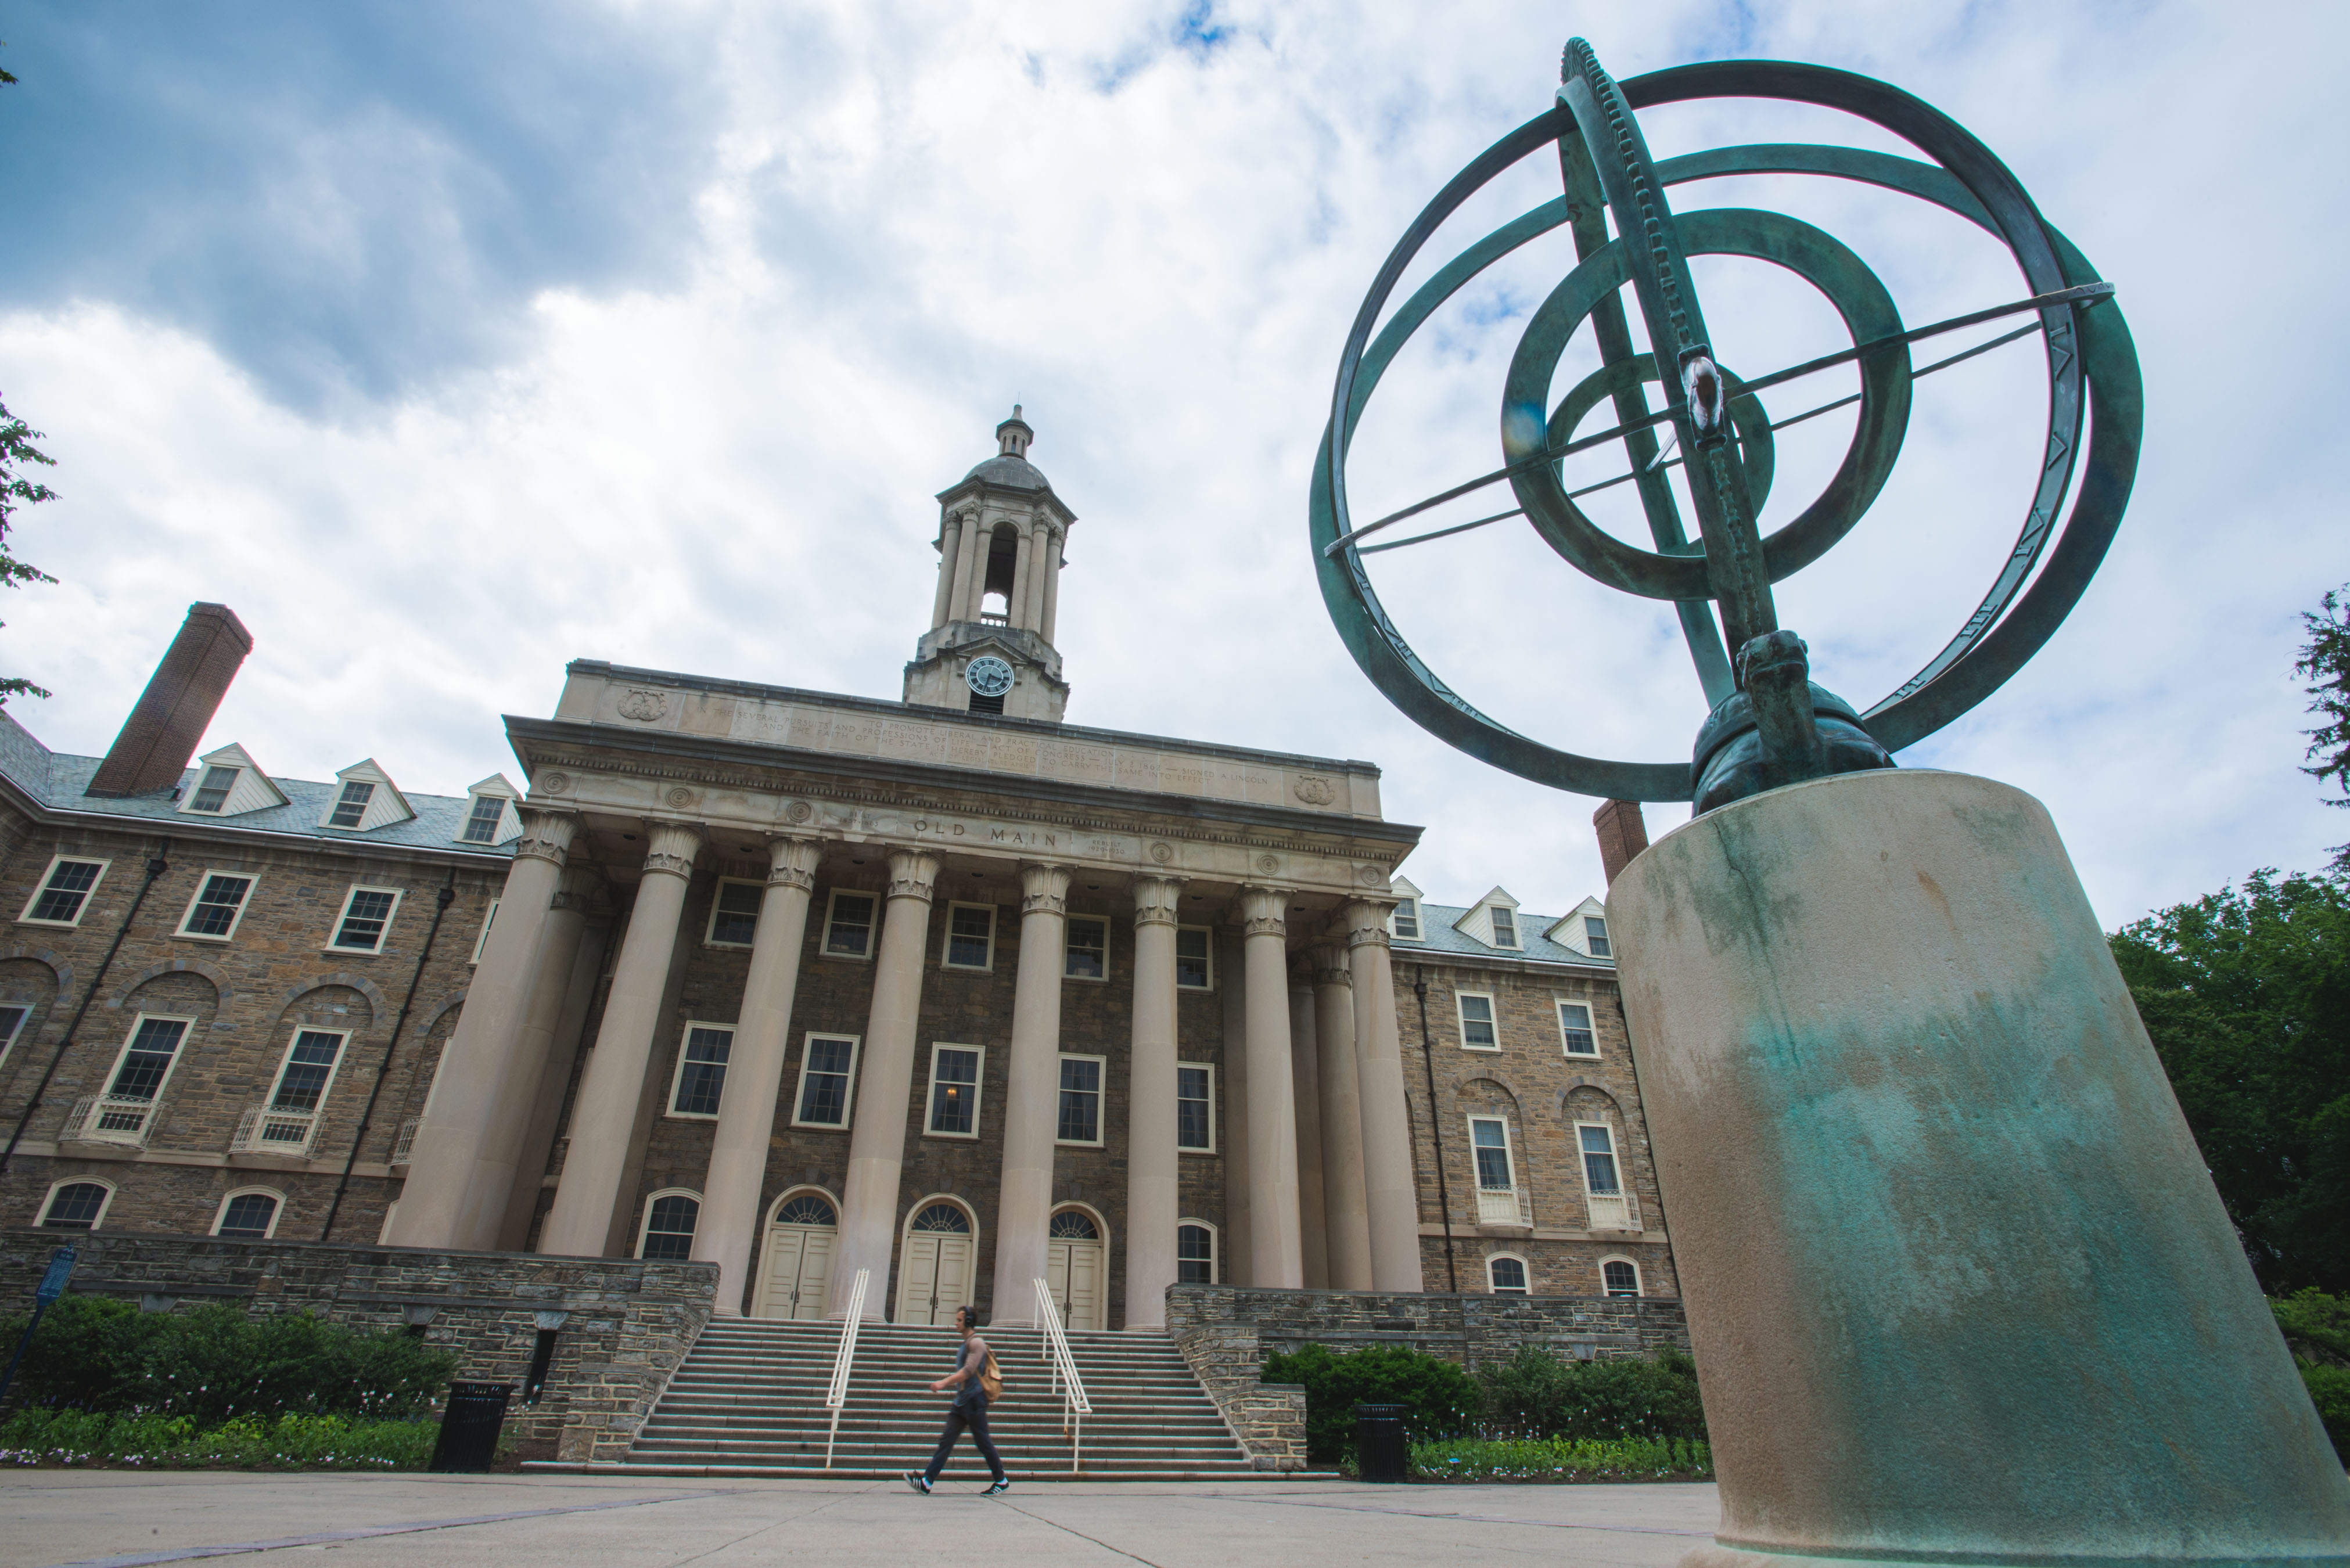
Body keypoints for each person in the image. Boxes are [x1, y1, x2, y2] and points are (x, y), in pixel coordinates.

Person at [904, 1305, 1008, 1495]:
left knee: (983, 1442)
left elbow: (968, 1371)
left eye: (960, 1320)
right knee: (947, 1441)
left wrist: (943, 1383)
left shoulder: (977, 1343)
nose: (956, 1323)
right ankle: (927, 1482)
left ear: (968, 1322)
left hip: (975, 1401)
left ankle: (1001, 1480)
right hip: (962, 1402)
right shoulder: (966, 1343)